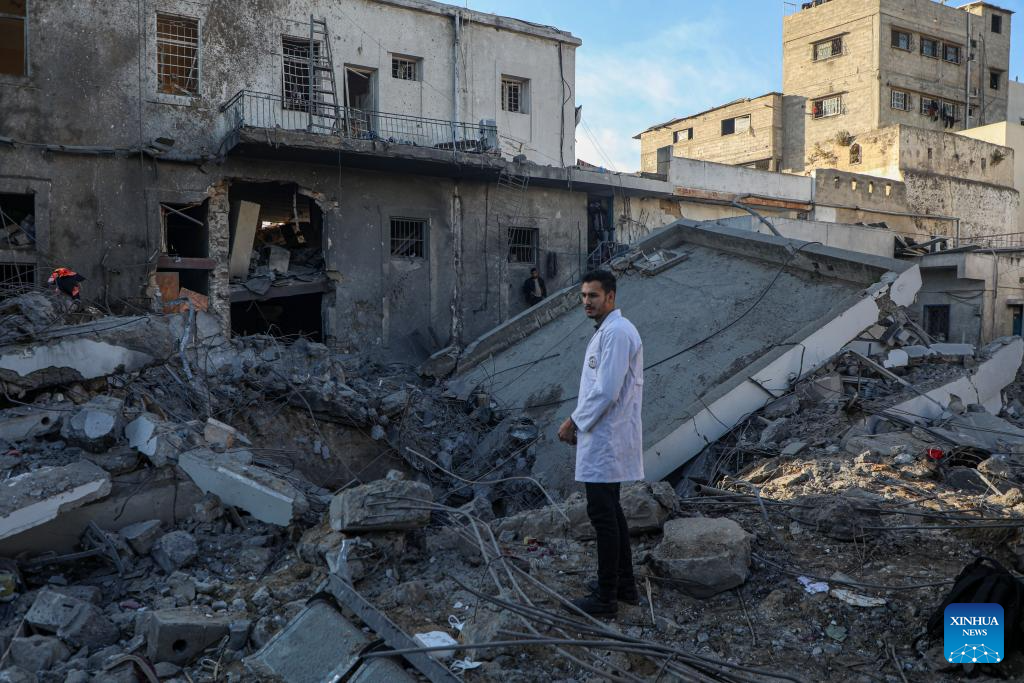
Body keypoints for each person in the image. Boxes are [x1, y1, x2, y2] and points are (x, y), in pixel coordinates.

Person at [557, 269, 643, 617]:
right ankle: (624, 586)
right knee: (611, 511)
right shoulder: (609, 331)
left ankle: (606, 598)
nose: (586, 302)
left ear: (611, 296)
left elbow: (606, 390)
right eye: (583, 296)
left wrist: (574, 422)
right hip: (605, 435)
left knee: (603, 515)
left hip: (607, 437)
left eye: (593, 295)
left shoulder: (618, 332)